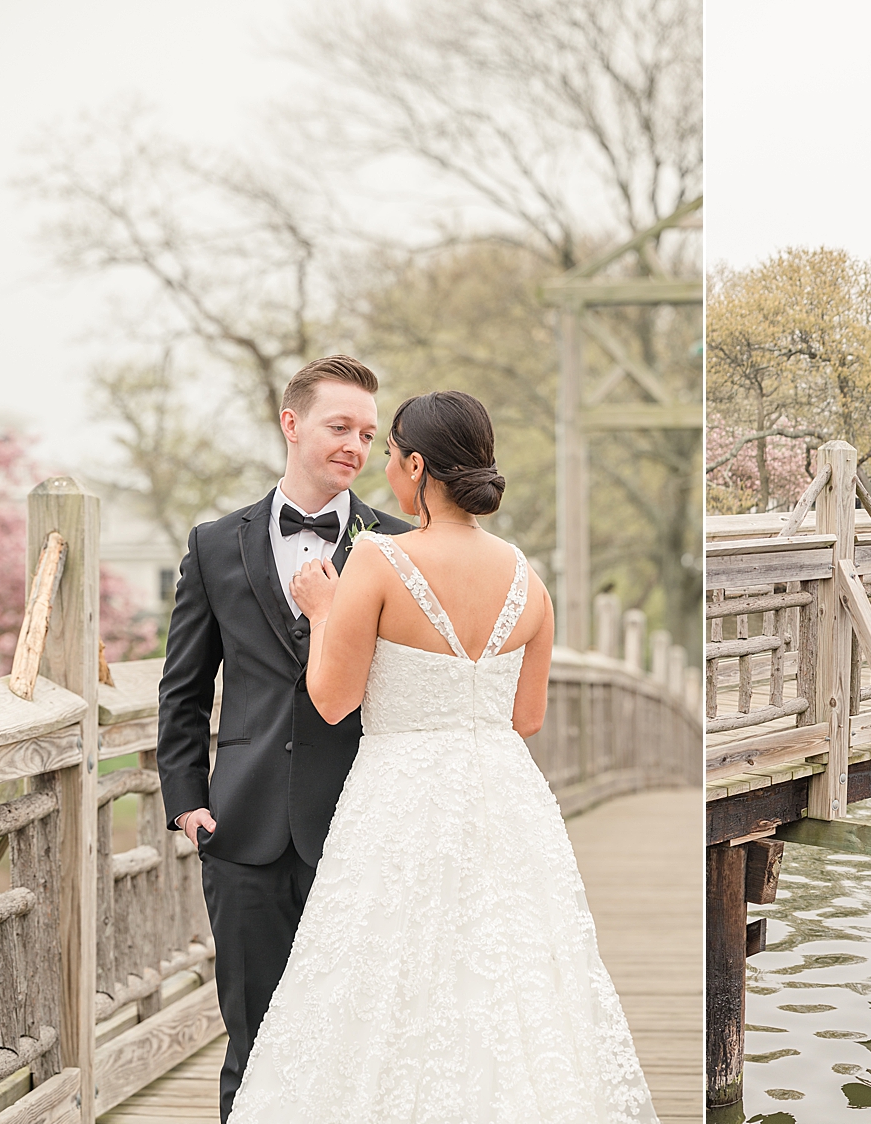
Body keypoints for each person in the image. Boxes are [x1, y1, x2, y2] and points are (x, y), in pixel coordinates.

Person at [227, 390, 657, 1123]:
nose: (383, 468)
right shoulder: (530, 579)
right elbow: (527, 716)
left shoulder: (378, 559)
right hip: (504, 798)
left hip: (399, 794)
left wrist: (326, 611)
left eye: (389, 454)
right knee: (507, 975)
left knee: (384, 974)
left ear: (417, 466)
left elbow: (332, 699)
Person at [155, 356, 413, 1122]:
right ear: (291, 423)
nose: (356, 446)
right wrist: (185, 801)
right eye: (340, 427)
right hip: (240, 827)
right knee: (253, 1042)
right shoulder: (212, 545)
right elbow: (184, 687)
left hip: (360, 829)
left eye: (368, 434)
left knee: (358, 1040)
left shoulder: (395, 546)